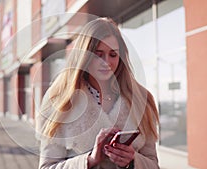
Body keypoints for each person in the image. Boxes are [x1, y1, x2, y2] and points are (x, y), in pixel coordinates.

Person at [36, 17, 159, 169]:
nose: (106, 62)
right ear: (84, 55)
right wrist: (89, 160)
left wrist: (133, 160)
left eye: (113, 55)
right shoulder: (60, 100)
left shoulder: (141, 99)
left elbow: (153, 164)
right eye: (98, 54)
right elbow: (47, 167)